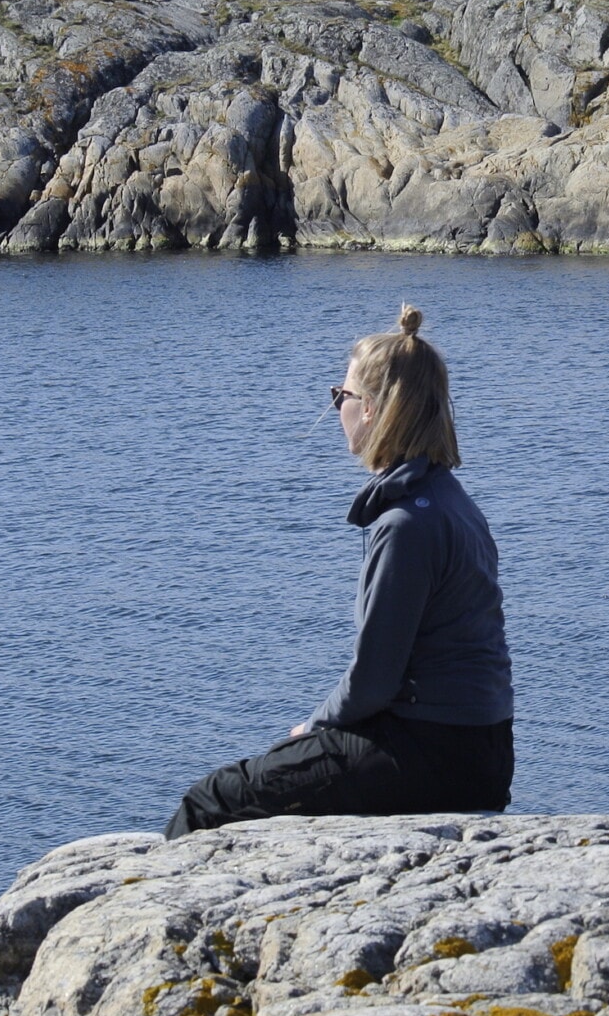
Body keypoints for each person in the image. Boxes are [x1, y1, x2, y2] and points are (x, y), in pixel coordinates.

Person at [164, 305, 514, 837]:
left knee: (212, 801)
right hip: (479, 750)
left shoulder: (405, 525)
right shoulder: (450, 501)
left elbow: (375, 680)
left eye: (342, 396)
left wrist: (312, 730)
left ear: (372, 409)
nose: (336, 408)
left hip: (431, 754)